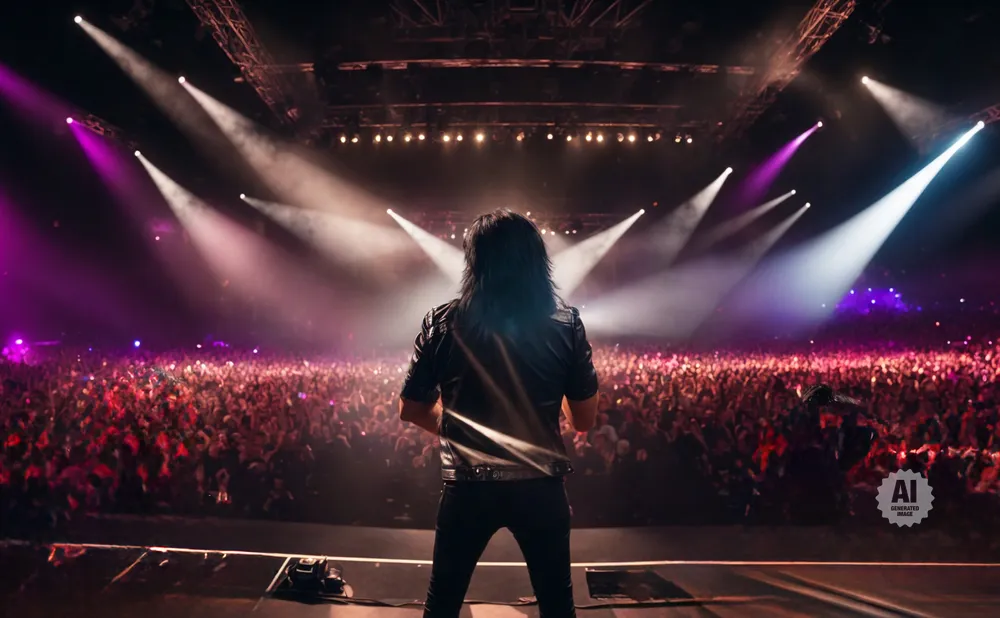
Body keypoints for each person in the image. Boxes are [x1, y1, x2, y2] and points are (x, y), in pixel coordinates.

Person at [398, 209, 599, 617]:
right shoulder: (566, 324)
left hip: (468, 488)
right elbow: (584, 420)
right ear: (538, 260)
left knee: (443, 603)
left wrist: (460, 430)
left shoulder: (441, 322)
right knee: (557, 604)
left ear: (474, 262)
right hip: (541, 489)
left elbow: (411, 408)